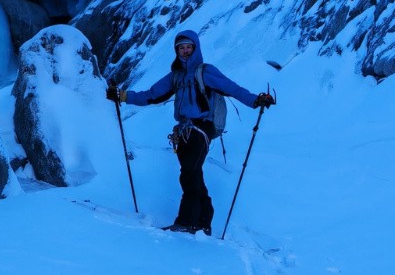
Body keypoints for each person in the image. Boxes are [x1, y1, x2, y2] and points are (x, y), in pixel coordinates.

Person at [107, 28, 273, 235]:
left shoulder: (205, 71)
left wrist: (255, 100)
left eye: (188, 47)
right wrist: (122, 96)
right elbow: (151, 95)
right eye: (181, 48)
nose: (185, 51)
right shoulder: (176, 76)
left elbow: (231, 88)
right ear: (176, 50)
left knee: (189, 173)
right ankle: (204, 221)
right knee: (193, 173)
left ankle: (187, 222)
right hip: (183, 131)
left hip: (202, 127)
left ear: (195, 48)